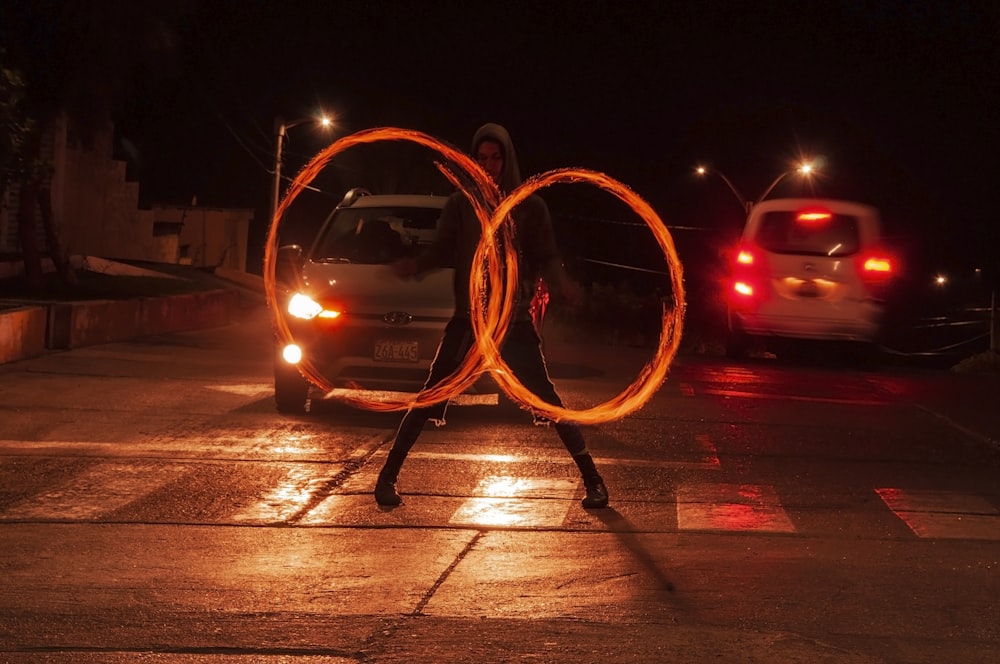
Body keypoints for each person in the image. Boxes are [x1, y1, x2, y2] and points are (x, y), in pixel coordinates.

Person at [374, 122, 609, 509]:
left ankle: (594, 481)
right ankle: (387, 479)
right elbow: (441, 251)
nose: (489, 165)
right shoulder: (462, 204)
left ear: (507, 158)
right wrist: (414, 265)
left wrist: (561, 283)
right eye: (482, 158)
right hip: (471, 320)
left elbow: (547, 254)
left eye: (495, 157)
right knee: (430, 394)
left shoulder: (528, 206)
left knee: (548, 400)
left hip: (512, 319)